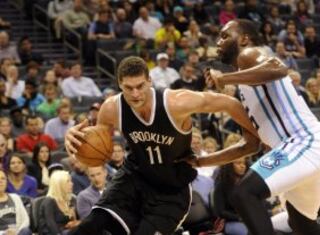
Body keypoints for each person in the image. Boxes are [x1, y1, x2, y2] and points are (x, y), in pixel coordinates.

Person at [65, 56, 260, 235]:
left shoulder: (176, 102)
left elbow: (230, 103)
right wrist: (74, 141)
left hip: (171, 190)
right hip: (134, 178)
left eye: (140, 86)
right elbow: (94, 144)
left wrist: (257, 134)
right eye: (128, 88)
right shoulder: (111, 108)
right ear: (119, 85)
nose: (135, 94)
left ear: (150, 80)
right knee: (90, 225)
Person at [201, 19, 320, 235]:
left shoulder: (250, 54)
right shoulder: (244, 87)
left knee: (244, 193)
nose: (218, 42)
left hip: (304, 142)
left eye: (225, 36)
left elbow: (278, 68)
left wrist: (226, 78)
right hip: (303, 149)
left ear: (244, 39)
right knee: (301, 223)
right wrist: (201, 161)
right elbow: (249, 145)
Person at [38, 170, 79, 235]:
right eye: (68, 181)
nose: (72, 184)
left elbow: (74, 220)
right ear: (59, 184)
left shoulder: (70, 199)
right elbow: (50, 225)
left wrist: (75, 223)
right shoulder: (49, 201)